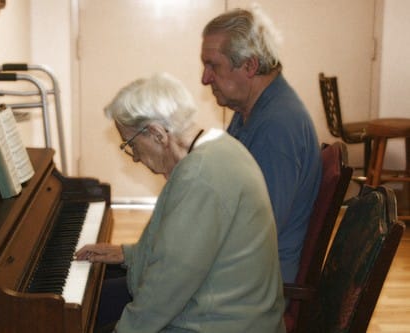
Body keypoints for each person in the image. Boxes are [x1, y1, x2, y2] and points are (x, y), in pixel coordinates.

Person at [75, 72, 285, 333]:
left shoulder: (201, 177)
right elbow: (179, 247)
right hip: (223, 307)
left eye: (131, 144)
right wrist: (127, 255)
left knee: (88, 314)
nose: (136, 158)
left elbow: (168, 285)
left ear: (156, 133)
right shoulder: (218, 148)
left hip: (221, 322)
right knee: (93, 301)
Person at [200, 5, 322, 284]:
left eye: (213, 65)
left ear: (250, 65)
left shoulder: (276, 127)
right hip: (242, 272)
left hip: (254, 288)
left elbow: (253, 234)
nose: (205, 78)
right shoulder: (250, 111)